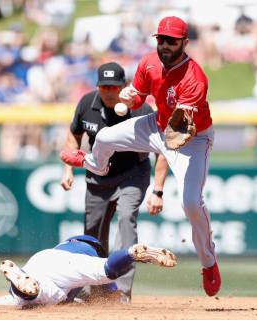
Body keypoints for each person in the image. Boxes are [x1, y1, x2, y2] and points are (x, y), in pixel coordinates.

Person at [60, 16, 221, 296]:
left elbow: (179, 132)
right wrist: (129, 98)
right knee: (105, 137)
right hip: (158, 124)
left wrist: (161, 158)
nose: (165, 45)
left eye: (172, 40)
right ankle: (93, 163)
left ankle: (208, 262)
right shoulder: (148, 62)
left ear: (184, 42)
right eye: (161, 39)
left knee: (192, 203)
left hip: (192, 139)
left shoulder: (195, 78)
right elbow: (138, 98)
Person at [60, 62, 169, 303]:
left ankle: (122, 291)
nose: (109, 91)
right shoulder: (87, 103)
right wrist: (68, 169)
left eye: (114, 86)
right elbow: (74, 135)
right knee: (92, 235)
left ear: (124, 87)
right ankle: (97, 291)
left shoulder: (141, 110)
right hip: (98, 178)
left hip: (132, 174)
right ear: (98, 86)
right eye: (104, 86)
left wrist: (157, 190)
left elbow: (163, 149)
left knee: (126, 221)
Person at [0, 235, 176, 308]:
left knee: (23, 299)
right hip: (68, 266)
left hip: (43, 259)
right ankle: (130, 253)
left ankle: (16, 289)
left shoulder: (61, 248)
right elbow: (112, 292)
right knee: (105, 271)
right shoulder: (91, 253)